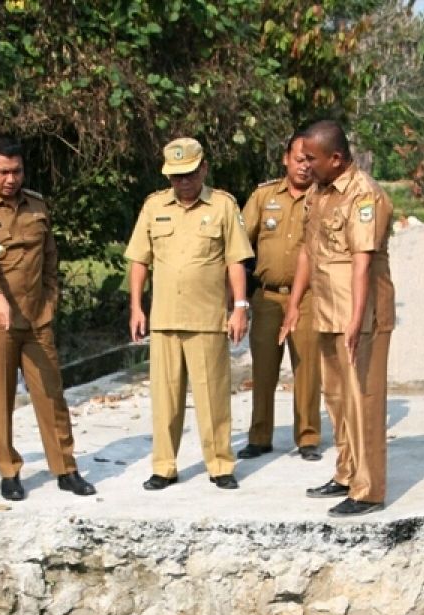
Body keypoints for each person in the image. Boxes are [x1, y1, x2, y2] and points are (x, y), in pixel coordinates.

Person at [0, 135, 96, 502]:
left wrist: (50, 300)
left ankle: (65, 467)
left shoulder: (37, 206)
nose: (10, 179)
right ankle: (8, 470)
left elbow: (50, 259)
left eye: (17, 171)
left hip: (35, 317)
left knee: (51, 393)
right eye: (3, 172)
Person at [279, 120, 394, 517]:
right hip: (327, 310)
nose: (305, 165)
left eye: (312, 158)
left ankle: (369, 489)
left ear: (337, 158)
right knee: (337, 398)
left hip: (358, 314)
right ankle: (346, 472)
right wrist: (295, 305)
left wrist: (356, 319)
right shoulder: (319, 193)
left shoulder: (365, 196)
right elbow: (308, 252)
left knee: (363, 400)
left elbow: (362, 263)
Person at [126, 137, 253, 490]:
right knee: (164, 399)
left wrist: (239, 307)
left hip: (207, 318)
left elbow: (235, 260)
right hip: (165, 318)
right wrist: (137, 307)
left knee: (213, 396)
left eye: (189, 174)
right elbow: (139, 259)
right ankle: (164, 466)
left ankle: (220, 464)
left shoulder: (224, 206)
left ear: (203, 169)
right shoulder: (154, 207)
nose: (182, 182)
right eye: (176, 176)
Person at [237, 133, 322, 463]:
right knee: (264, 370)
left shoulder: (323, 197)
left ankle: (308, 436)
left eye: (310, 159)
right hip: (268, 296)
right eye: (299, 158)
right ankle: (260, 436)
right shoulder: (263, 196)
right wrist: (238, 298)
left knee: (307, 368)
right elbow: (241, 245)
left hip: (309, 299)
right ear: (285, 159)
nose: (304, 165)